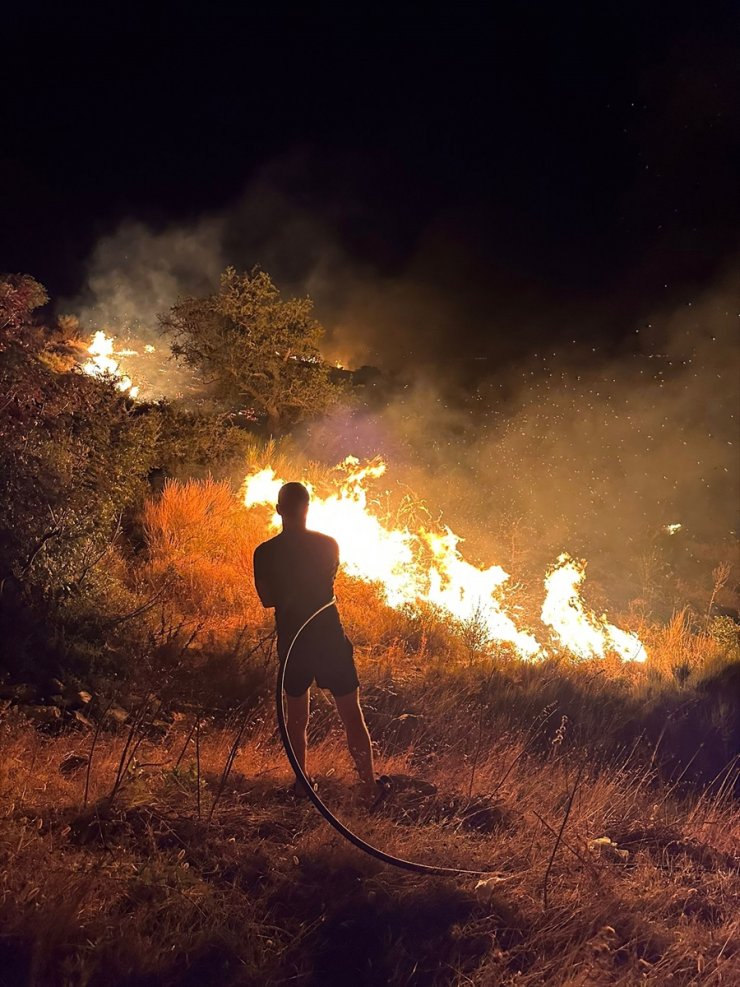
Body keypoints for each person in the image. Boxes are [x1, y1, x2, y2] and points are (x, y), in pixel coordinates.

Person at [253, 481, 377, 800]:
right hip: (329, 640)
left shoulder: (264, 552)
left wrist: (289, 594)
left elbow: (267, 599)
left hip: (294, 641)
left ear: (279, 509)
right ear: (307, 508)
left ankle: (301, 784)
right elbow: (329, 581)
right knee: (352, 714)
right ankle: (368, 787)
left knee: (296, 718)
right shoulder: (329, 544)